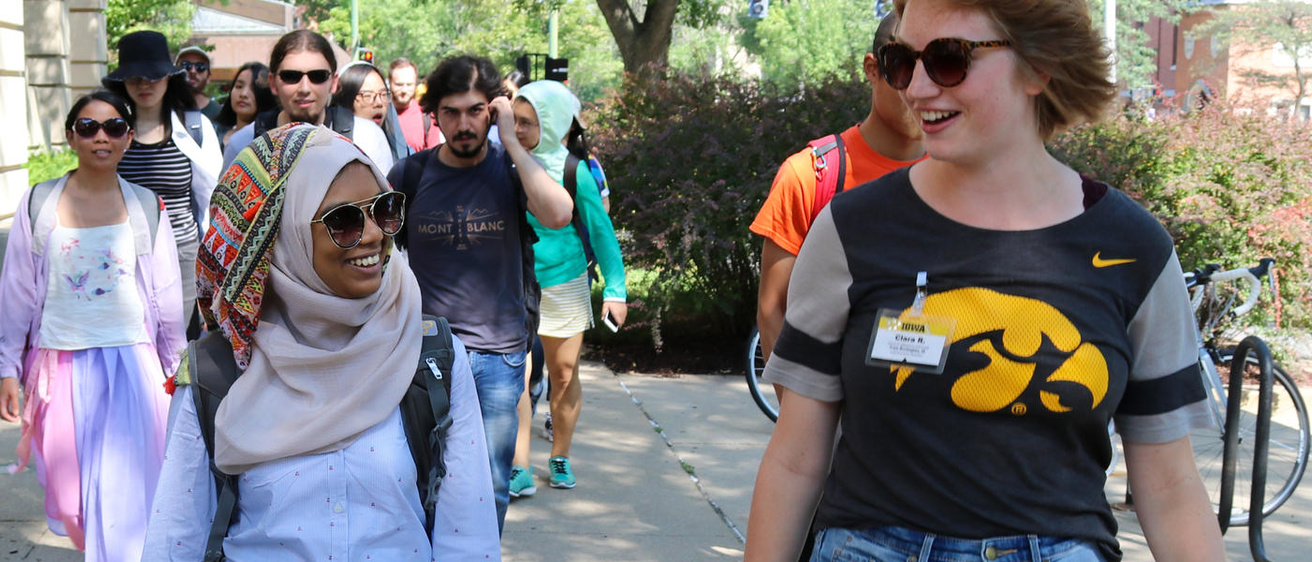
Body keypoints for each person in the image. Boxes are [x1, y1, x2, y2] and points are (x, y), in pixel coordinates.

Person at [744, 0, 1226, 560]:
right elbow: (795, 459)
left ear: (1039, 67)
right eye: (904, 61)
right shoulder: (851, 231)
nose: (918, 88)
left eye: (949, 59)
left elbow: (1169, 486)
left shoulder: (1133, 249)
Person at [141, 123, 500, 559]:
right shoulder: (218, 372)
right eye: (343, 220)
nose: (372, 234)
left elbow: (468, 535)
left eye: (384, 210)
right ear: (282, 235)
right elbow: (175, 540)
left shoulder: (430, 355)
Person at [387, 54, 573, 530]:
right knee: (422, 482)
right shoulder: (411, 175)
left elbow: (558, 214)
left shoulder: (510, 170)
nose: (464, 123)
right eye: (452, 111)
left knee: (489, 483)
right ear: (436, 115)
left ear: (492, 110)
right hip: (429, 354)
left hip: (498, 356)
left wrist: (509, 139)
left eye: (475, 110)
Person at [0, 90, 185, 561]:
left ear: (127, 138)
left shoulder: (148, 207)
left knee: (125, 501)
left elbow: (165, 299)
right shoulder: (38, 203)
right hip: (59, 369)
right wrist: (7, 368)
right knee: (75, 502)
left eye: (114, 127)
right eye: (88, 127)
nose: (101, 136)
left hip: (133, 368)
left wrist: (178, 370)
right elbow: (16, 293)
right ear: (70, 137)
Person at [752, 11, 925, 364]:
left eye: (940, 65)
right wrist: (805, 418)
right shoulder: (808, 175)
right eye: (903, 66)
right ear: (872, 69)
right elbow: (773, 312)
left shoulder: (968, 177)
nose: (919, 85)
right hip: (838, 412)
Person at [507, 81, 627, 495]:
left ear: (554, 124)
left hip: (565, 283)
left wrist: (617, 289)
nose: (517, 130)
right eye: (514, 121)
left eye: (528, 122)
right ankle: (519, 464)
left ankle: (560, 455)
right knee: (517, 378)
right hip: (515, 282)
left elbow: (603, 233)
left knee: (563, 373)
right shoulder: (503, 164)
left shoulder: (575, 170)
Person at [102, 30, 222, 340]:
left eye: (152, 76)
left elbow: (211, 199)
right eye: (134, 78)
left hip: (182, 251)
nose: (144, 85)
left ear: (169, 78)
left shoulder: (194, 127)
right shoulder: (110, 130)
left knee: (177, 343)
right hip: (121, 253)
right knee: (130, 341)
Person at [221, 30, 393, 173]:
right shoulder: (243, 145)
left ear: (333, 83)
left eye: (317, 76)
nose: (304, 88)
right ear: (273, 83)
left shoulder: (366, 138)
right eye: (291, 76)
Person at [335, 61, 411, 163]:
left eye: (383, 94)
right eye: (367, 95)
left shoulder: (402, 154)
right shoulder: (327, 146)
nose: (379, 103)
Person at [213, 61, 277, 147]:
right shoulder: (214, 133)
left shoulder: (271, 140)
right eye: (239, 86)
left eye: (253, 89)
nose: (243, 94)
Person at [390, 57, 443, 152]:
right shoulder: (380, 114)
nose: (404, 90)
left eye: (409, 85)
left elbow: (434, 156)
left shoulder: (427, 116)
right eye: (399, 85)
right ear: (390, 82)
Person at [177, 45, 221, 121]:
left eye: (200, 67)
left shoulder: (220, 114)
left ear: (208, 77)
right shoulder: (162, 110)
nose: (193, 71)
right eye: (186, 65)